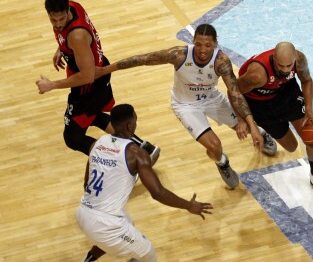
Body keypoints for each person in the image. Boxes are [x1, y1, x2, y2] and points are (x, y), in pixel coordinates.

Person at [95, 24, 277, 189]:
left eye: (207, 45)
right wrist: (106, 70)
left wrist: (250, 125)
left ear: (215, 43)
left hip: (211, 98)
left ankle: (260, 132)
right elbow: (144, 59)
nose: (203, 50)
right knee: (215, 147)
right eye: (198, 44)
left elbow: (235, 93)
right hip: (185, 105)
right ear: (193, 42)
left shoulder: (221, 61)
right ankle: (222, 163)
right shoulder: (179, 55)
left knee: (242, 124)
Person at [76, 103, 213, 261]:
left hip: (82, 214)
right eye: (136, 121)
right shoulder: (136, 153)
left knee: (127, 222)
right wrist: (189, 205)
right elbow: (158, 193)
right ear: (130, 125)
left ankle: (89, 259)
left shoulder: (97, 144)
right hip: (106, 226)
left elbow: (87, 185)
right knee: (148, 256)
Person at [35, 0, 160, 164]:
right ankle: (145, 149)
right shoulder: (73, 5)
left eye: (61, 19)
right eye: (53, 20)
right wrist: (62, 49)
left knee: (73, 137)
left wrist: (52, 85)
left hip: (89, 83)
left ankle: (128, 160)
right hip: (96, 74)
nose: (57, 24)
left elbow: (87, 76)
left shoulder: (76, 36)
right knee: (93, 115)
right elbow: (78, 42)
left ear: (67, 11)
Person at [236, 41, 313, 199]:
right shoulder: (257, 75)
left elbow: (306, 80)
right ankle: (260, 129)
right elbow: (234, 92)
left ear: (294, 60)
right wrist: (245, 122)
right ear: (274, 58)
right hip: (261, 104)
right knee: (291, 146)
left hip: (286, 92)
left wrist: (309, 110)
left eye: (288, 66)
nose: (284, 69)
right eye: (280, 66)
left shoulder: (299, 59)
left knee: (312, 135)